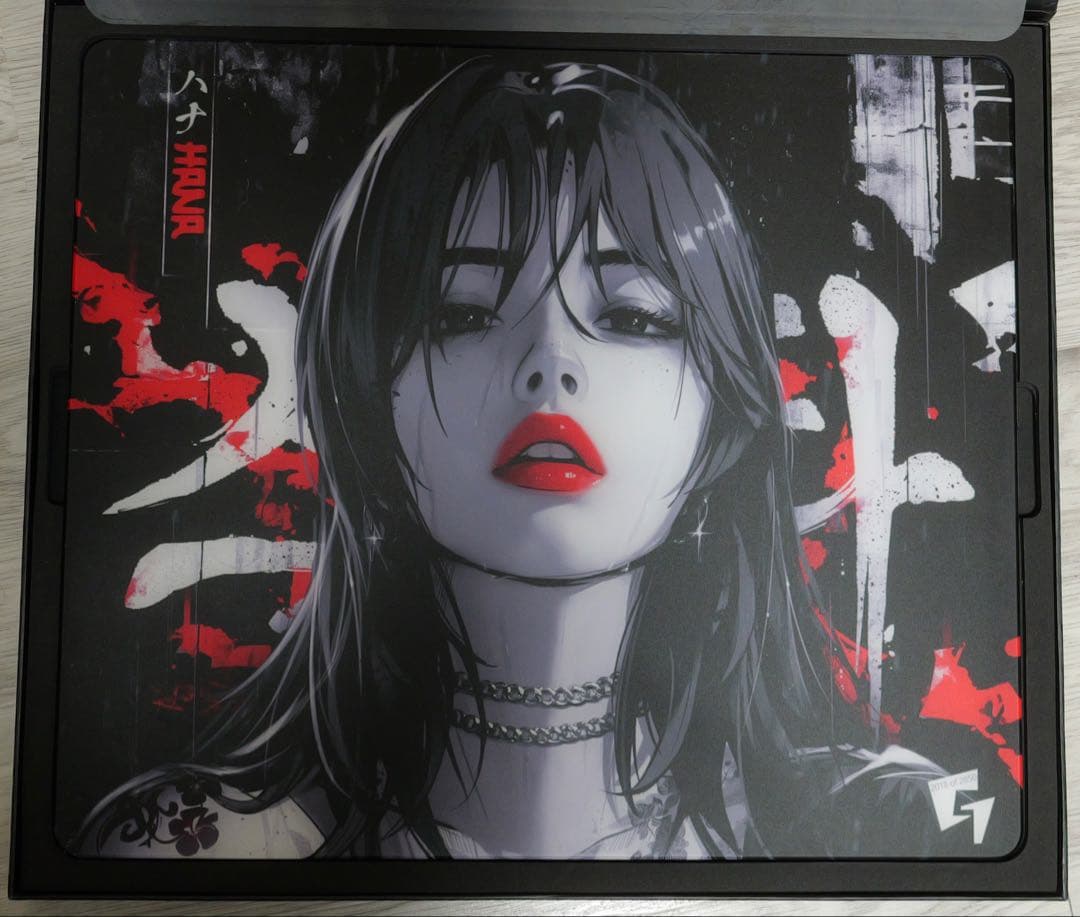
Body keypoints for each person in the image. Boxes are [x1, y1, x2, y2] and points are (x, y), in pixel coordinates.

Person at [83, 57, 961, 861]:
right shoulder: (189, 847)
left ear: (725, 412)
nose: (550, 361)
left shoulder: (884, 829)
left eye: (633, 317)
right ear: (361, 388)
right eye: (462, 313)